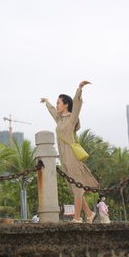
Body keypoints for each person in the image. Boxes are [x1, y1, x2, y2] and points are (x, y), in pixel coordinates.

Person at [42, 81, 98, 223]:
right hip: (63, 157)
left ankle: (77, 217)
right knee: (74, 186)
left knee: (77, 185)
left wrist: (79, 90)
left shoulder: (72, 118)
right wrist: (47, 102)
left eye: (58, 103)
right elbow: (53, 112)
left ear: (66, 104)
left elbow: (77, 105)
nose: (57, 105)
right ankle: (89, 213)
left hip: (71, 156)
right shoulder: (60, 120)